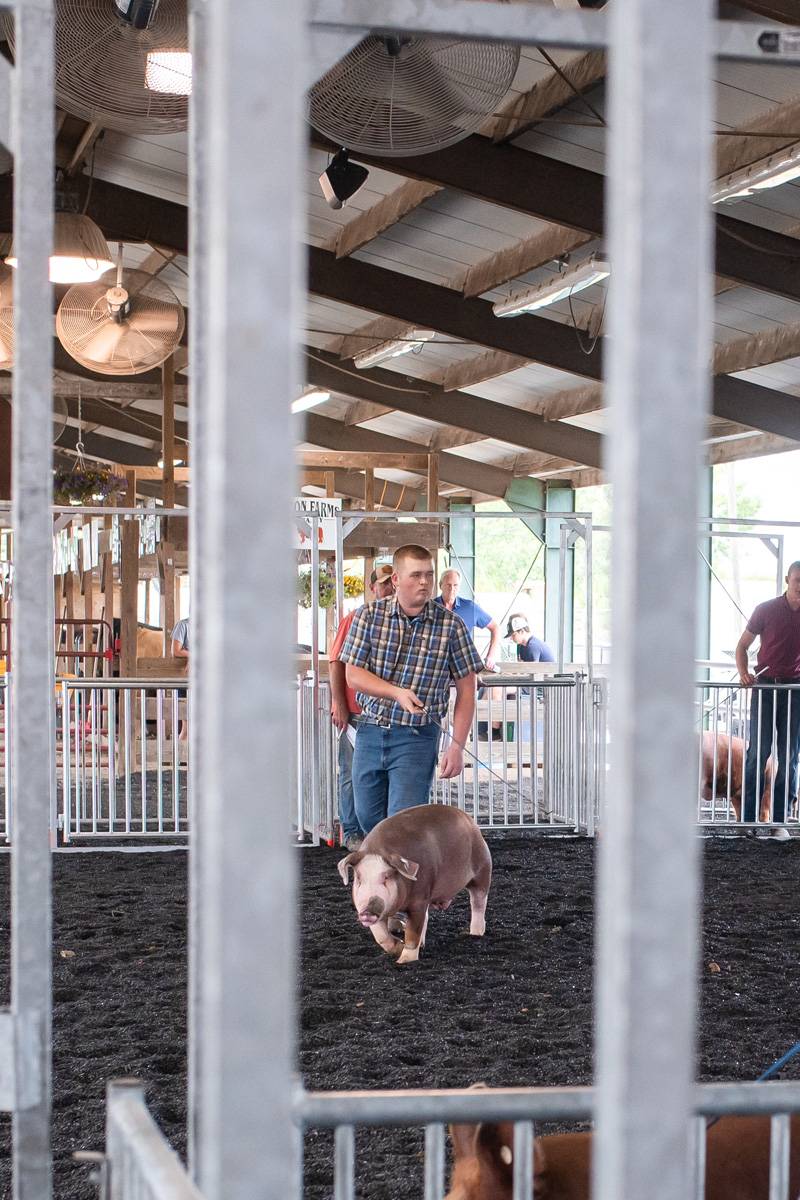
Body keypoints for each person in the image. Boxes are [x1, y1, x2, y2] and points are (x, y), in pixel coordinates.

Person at [339, 544, 485, 834]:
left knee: (403, 822)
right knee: (366, 814)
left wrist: (457, 746)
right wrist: (396, 692)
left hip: (417, 735)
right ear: (396, 580)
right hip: (370, 729)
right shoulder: (367, 616)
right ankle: (387, 874)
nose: (424, 582)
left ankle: (406, 877)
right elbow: (353, 675)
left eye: (429, 575)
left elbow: (467, 689)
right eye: (416, 575)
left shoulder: (451, 626)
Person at [329, 564, 395, 850]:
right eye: (383, 584)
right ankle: (352, 829)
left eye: (391, 583)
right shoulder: (354, 618)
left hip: (386, 712)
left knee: (377, 774)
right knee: (351, 771)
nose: (388, 589)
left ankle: (378, 831)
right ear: (373, 588)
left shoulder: (400, 620)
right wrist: (338, 702)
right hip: (356, 711)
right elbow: (336, 661)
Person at [736, 562, 800, 838]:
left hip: (795, 692)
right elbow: (742, 646)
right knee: (757, 754)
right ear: (788, 580)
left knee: (790, 756)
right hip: (764, 687)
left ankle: (779, 821)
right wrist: (743, 673)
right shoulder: (765, 610)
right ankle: (748, 820)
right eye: (798, 580)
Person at [435, 567, 501, 670]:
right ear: (440, 585)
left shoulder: (470, 607)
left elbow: (495, 627)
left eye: (455, 585)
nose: (452, 589)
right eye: (448, 585)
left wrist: (491, 656)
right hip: (436, 666)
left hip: (463, 665)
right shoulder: (430, 607)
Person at [170, 616, 189, 742]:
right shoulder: (183, 625)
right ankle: (179, 760)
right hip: (185, 679)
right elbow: (175, 651)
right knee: (188, 726)